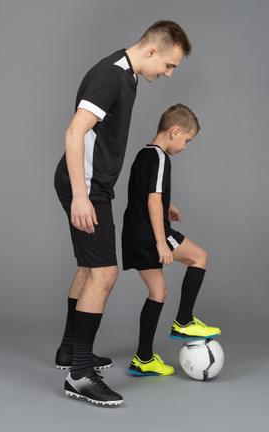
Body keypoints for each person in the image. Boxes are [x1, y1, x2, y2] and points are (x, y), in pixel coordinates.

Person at [54, 21, 192, 406]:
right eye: (168, 66)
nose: (166, 74)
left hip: (94, 186)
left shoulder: (127, 75)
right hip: (85, 187)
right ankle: (80, 375)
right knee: (104, 272)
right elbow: (73, 133)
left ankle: (69, 352)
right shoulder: (110, 76)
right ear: (151, 52)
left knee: (88, 267)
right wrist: (82, 197)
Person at [122, 104, 221, 377]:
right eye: (187, 140)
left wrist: (168, 204)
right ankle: (184, 321)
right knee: (199, 257)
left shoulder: (143, 154)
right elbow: (152, 200)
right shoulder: (162, 157)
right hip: (151, 234)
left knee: (158, 293)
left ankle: (143, 360)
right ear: (175, 131)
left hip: (132, 234)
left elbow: (145, 195)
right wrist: (161, 242)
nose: (186, 147)